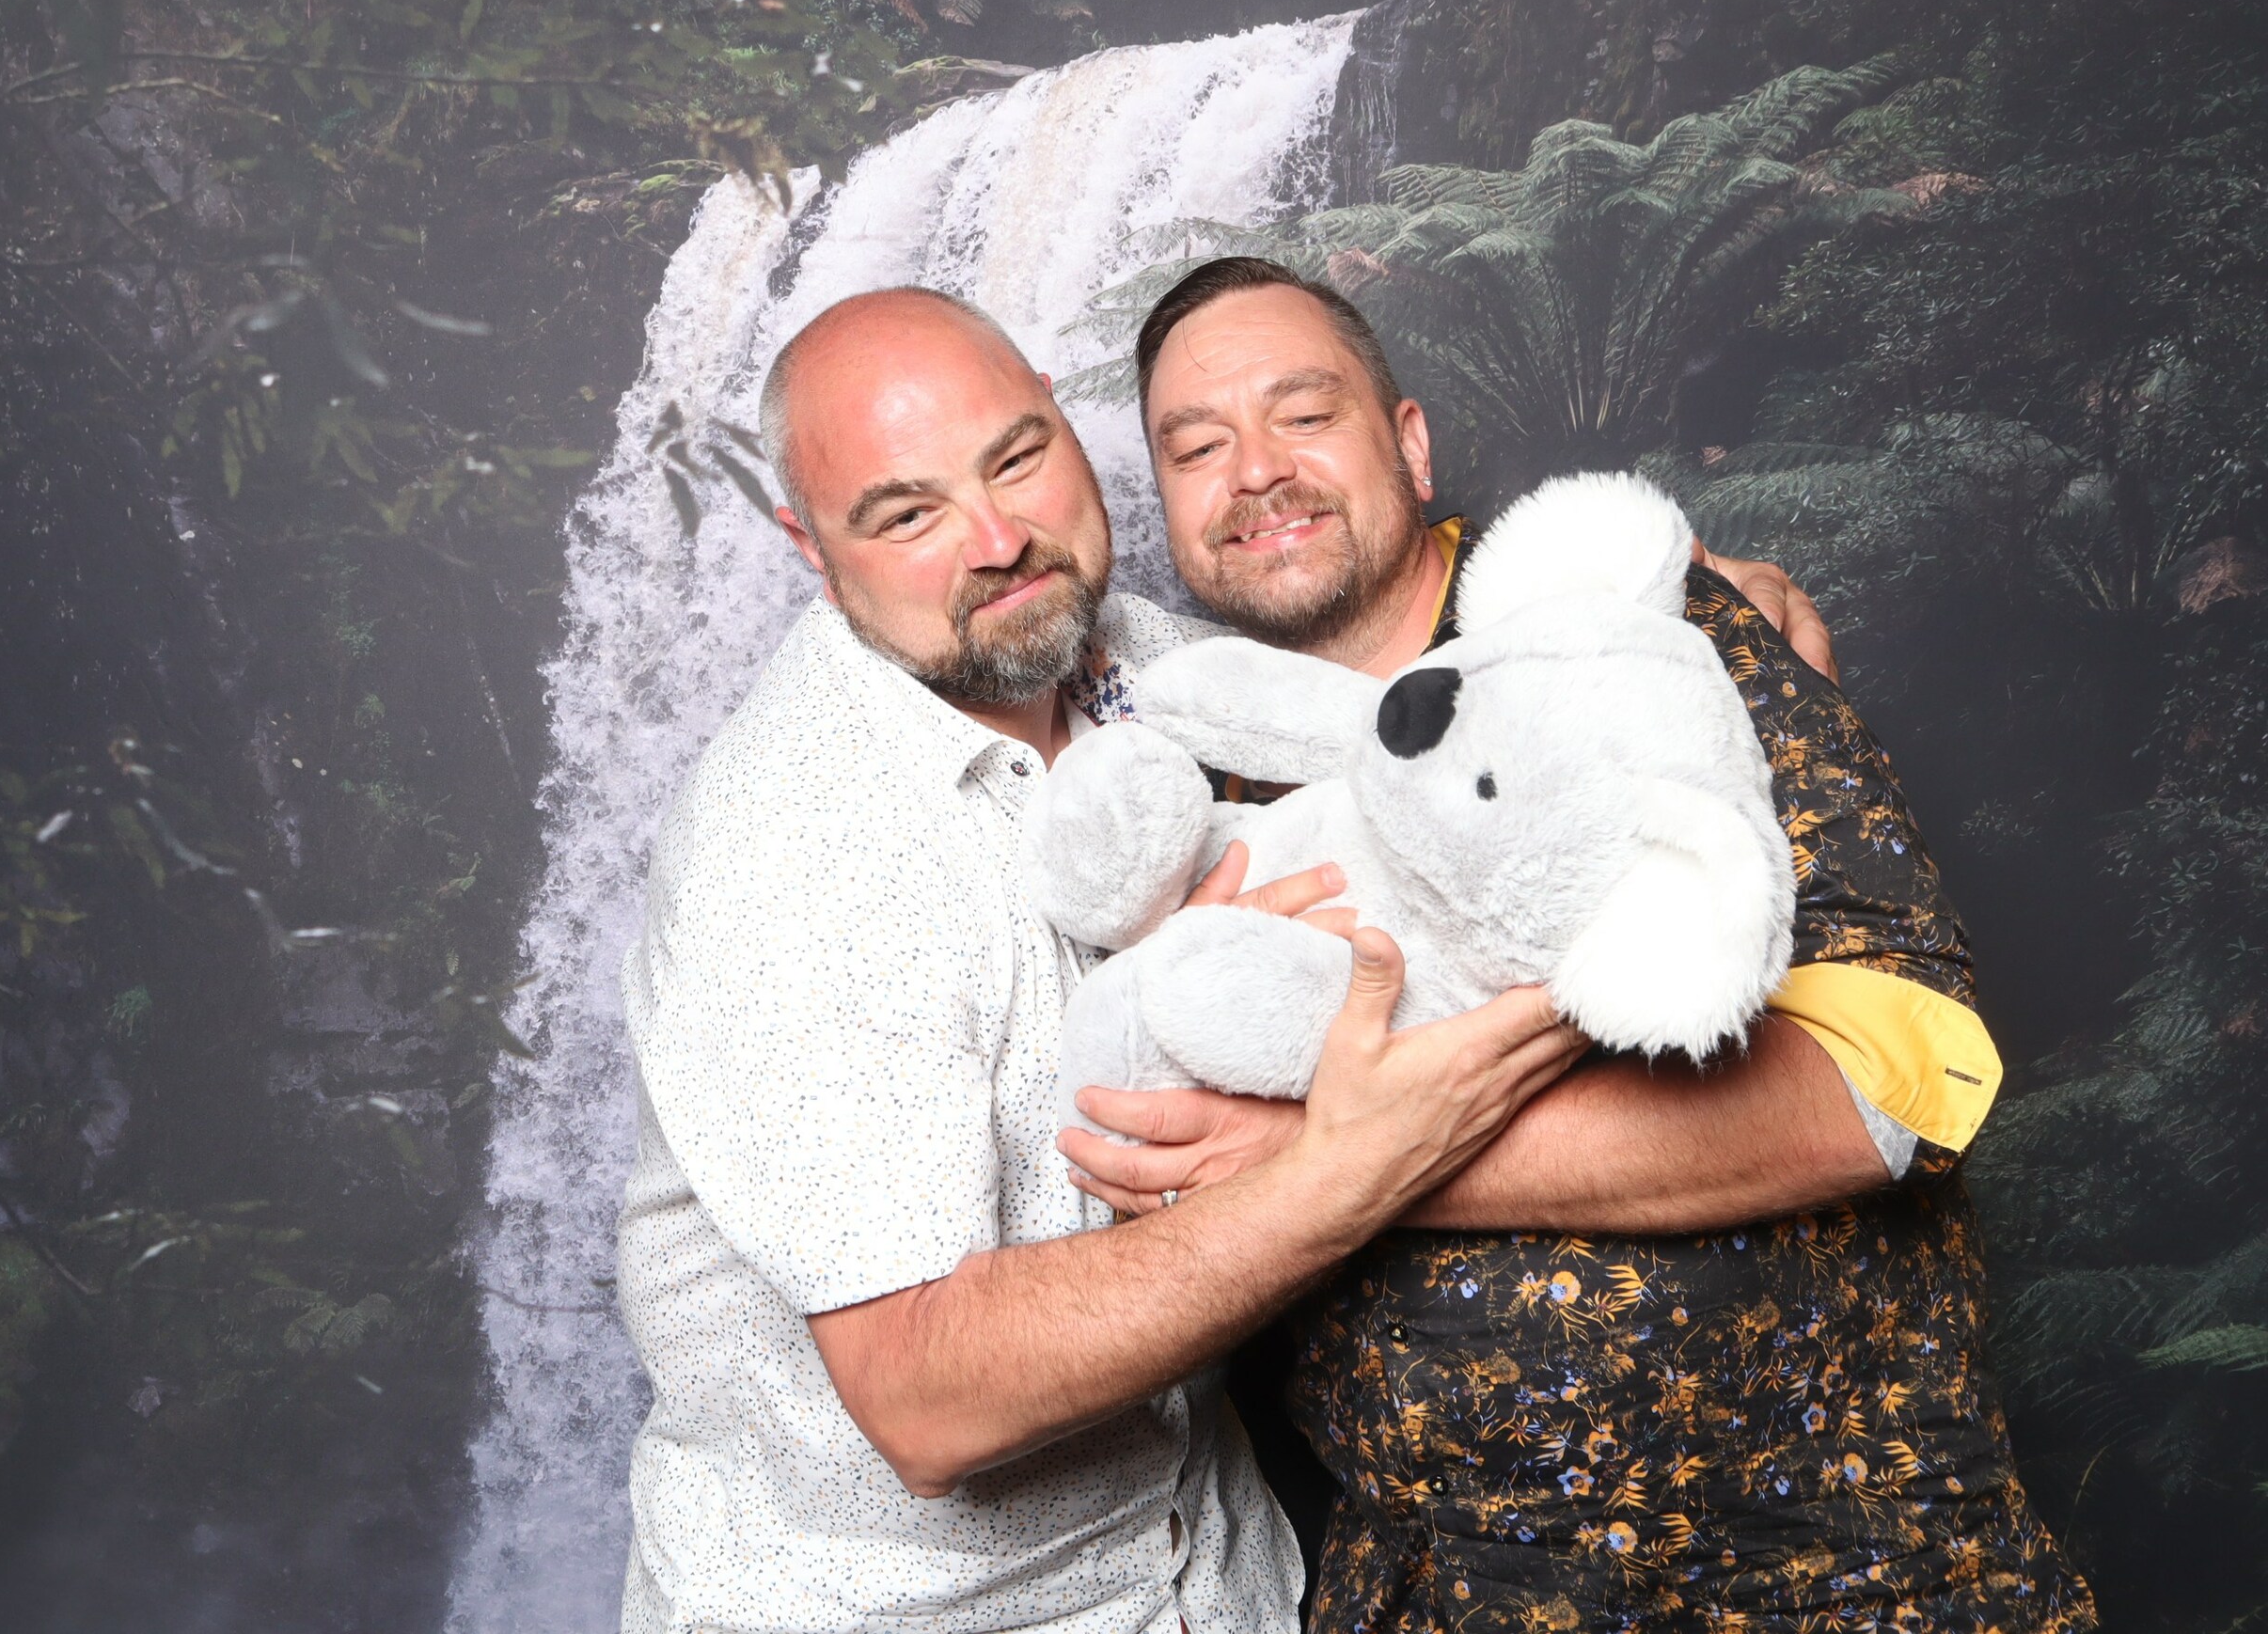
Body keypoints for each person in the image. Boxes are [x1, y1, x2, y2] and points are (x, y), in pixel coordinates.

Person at [612, 284, 1831, 1633]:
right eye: (908, 516)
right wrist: (1359, 1162)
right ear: (809, 545)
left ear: (1067, 428)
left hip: (1236, 1590)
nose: (999, 540)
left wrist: (1674, 625)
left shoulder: (1143, 663)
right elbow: (925, 1395)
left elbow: (1432, 693)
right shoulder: (790, 848)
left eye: (1017, 459)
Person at [1057, 256, 2095, 1629]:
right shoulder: (1200, 788)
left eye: (1303, 415)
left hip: (1827, 1571)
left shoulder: (1636, 642)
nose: (1256, 471)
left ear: (1410, 445)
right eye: (1197, 449)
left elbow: (1901, 1079)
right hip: (1438, 1591)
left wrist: (1339, 1166)